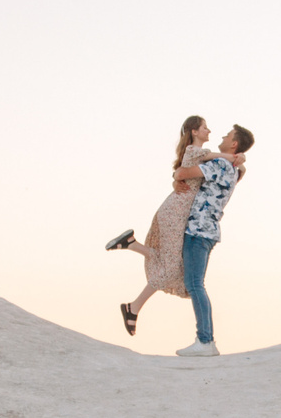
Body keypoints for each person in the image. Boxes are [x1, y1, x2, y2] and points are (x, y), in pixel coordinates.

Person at [103, 115, 215, 335]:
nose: (209, 131)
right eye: (204, 127)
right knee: (171, 268)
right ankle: (133, 307)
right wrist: (235, 155)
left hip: (177, 212)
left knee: (168, 262)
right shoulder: (195, 151)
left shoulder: (196, 155)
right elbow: (214, 158)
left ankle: (131, 247)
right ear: (194, 131)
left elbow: (187, 170)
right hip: (175, 212)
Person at [174, 123, 252, 357]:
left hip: (198, 230)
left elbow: (183, 173)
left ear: (234, 144)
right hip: (208, 231)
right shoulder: (234, 169)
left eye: (228, 136)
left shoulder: (220, 164)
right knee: (196, 284)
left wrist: (178, 174)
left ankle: (205, 340)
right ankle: (205, 340)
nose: (223, 136)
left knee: (195, 285)